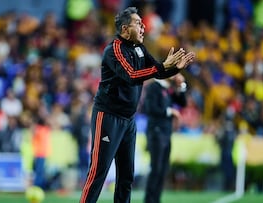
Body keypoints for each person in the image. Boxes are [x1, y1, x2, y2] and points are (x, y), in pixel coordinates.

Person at [79, 7, 196, 203]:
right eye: (138, 23)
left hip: (128, 120)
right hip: (108, 116)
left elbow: (156, 72)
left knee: (126, 177)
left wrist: (174, 68)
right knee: (98, 172)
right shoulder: (114, 50)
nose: (143, 27)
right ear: (125, 29)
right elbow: (132, 75)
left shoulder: (140, 49)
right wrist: (162, 67)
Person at [143, 73, 187, 203]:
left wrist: (182, 86)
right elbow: (150, 108)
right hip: (156, 132)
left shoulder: (167, 89)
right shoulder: (154, 87)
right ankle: (149, 200)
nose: (175, 75)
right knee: (156, 168)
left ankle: (156, 199)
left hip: (166, 134)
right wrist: (170, 111)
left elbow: (182, 102)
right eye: (173, 72)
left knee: (162, 169)